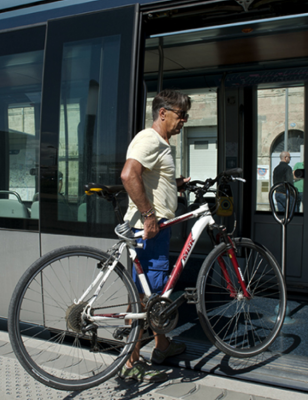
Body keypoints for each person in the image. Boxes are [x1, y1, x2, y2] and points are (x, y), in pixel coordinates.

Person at [120, 89, 191, 382]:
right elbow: (128, 175)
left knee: (154, 294)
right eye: (180, 115)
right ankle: (130, 362)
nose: (183, 121)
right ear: (163, 113)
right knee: (142, 299)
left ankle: (161, 345)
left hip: (157, 229)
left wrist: (174, 185)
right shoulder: (149, 138)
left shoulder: (161, 143)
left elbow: (150, 176)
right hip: (149, 229)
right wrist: (149, 215)